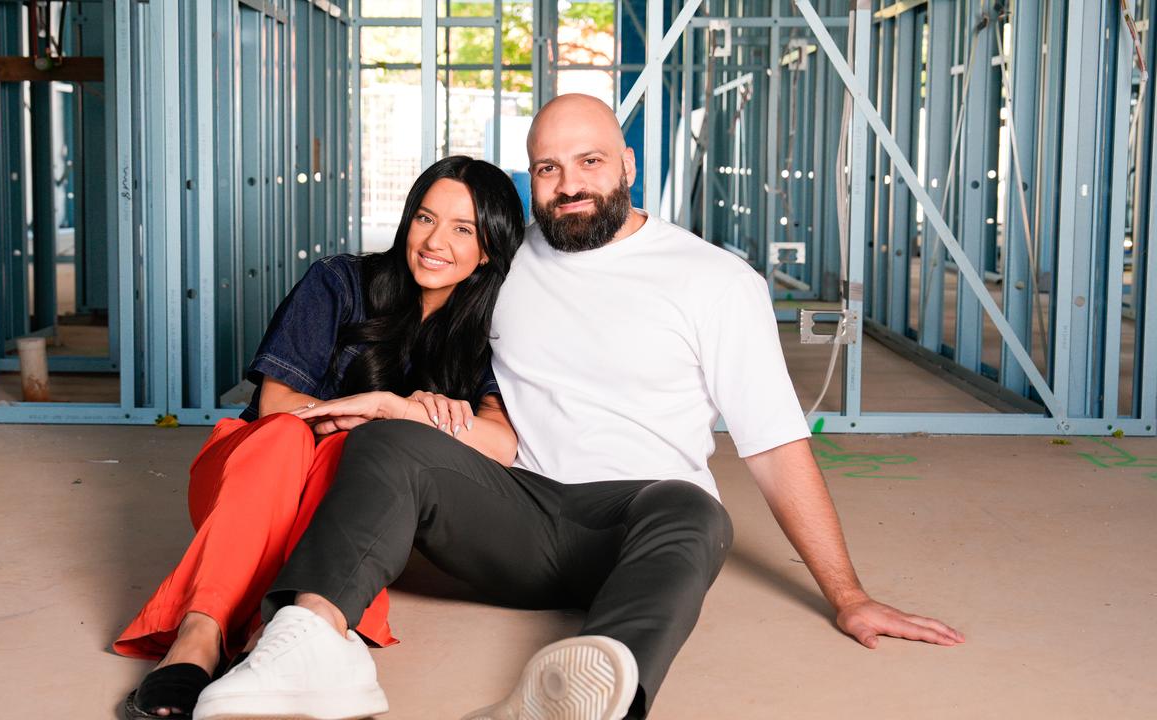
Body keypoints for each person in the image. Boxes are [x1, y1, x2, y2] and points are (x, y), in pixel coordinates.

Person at [192, 94, 963, 720]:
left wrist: (850, 596)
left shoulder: (716, 282)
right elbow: (417, 319)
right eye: (547, 168)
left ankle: (586, 696)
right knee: (390, 443)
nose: (569, 184)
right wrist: (379, 404)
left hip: (633, 523)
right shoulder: (502, 260)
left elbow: (774, 446)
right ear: (531, 181)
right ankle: (312, 648)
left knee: (697, 512)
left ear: (627, 163)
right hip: (511, 511)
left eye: (589, 161)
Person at [113, 155, 525, 719]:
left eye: (463, 229)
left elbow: (499, 442)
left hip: (341, 507)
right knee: (288, 436)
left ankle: (271, 636)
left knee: (362, 455)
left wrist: (393, 412)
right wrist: (384, 412)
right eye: (425, 219)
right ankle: (199, 638)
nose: (434, 241)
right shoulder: (338, 281)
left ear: (489, 249)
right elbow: (278, 407)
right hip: (252, 481)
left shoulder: (491, 327)